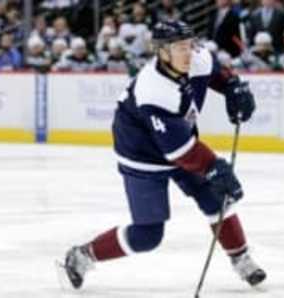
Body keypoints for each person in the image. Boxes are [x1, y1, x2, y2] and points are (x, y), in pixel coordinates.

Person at [60, 20, 266, 289]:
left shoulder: (196, 57)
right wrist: (214, 166)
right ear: (162, 52)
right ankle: (83, 255)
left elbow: (214, 71)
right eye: (179, 47)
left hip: (178, 142)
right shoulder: (153, 90)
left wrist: (231, 86)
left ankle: (240, 258)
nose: (188, 52)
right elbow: (181, 151)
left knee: (216, 198)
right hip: (141, 156)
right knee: (148, 235)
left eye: (190, 45)